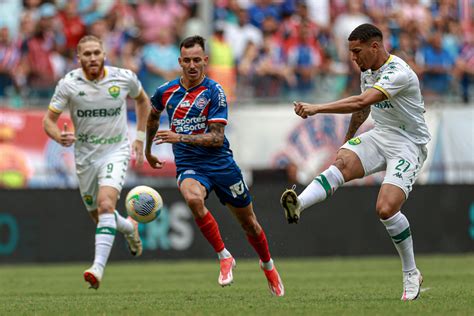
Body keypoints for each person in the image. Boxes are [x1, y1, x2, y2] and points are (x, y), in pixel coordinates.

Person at [280, 24, 430, 301]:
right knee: (342, 162)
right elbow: (363, 109)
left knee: (385, 209)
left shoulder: (398, 73)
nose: (353, 58)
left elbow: (362, 99)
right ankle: (299, 204)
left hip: (408, 144)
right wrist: (348, 140)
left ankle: (411, 273)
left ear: (375, 46)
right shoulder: (368, 71)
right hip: (381, 135)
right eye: (350, 52)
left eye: (356, 51)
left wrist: (317, 108)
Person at [145, 35, 284, 297]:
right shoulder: (165, 92)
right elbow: (152, 117)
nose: (192, 65)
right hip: (190, 164)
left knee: (250, 224)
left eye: (197, 60)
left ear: (205, 60)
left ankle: (268, 266)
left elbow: (217, 137)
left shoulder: (214, 91)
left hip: (220, 164)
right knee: (193, 199)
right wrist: (148, 151)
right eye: (187, 60)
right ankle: (224, 256)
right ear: (180, 62)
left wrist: (180, 137)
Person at [42, 35, 151, 289]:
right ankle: (129, 228)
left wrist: (140, 138)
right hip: (85, 157)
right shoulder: (69, 84)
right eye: (86, 54)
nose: (92, 58)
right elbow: (48, 121)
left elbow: (143, 100)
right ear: (78, 58)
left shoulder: (123, 77)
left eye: (96, 53)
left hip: (115, 151)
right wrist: (60, 136)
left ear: (104, 54)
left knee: (105, 205)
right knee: (100, 215)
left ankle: (97, 269)